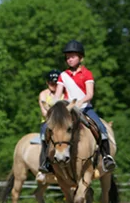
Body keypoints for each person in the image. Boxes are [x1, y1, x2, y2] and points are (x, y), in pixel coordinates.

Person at [39, 40, 116, 173]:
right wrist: (52, 104)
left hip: (85, 107)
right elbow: (58, 94)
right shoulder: (63, 75)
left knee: (101, 128)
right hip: (68, 109)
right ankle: (47, 160)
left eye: (73, 57)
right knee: (46, 128)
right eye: (68, 57)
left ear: (81, 57)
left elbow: (90, 94)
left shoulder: (87, 74)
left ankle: (106, 157)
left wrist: (81, 102)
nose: (69, 59)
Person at [36, 70, 61, 182]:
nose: (54, 86)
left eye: (56, 83)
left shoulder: (64, 94)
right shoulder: (43, 94)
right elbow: (44, 112)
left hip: (62, 122)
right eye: (51, 83)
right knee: (44, 138)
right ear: (47, 83)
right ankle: (44, 165)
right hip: (48, 121)